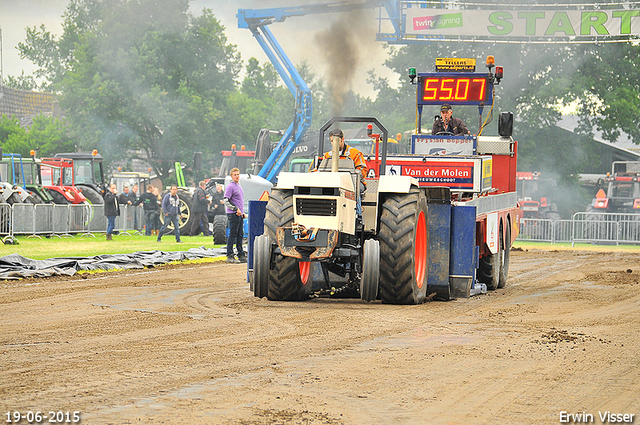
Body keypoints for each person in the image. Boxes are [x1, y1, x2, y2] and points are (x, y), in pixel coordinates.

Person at [224, 168, 247, 264]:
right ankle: (229, 255)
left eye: (238, 174)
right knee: (232, 234)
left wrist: (242, 212)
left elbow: (239, 201)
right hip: (233, 214)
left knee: (240, 234)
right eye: (235, 175)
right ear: (231, 176)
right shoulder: (230, 187)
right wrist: (235, 209)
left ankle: (240, 254)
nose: (237, 176)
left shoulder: (238, 186)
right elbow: (226, 200)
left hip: (239, 214)